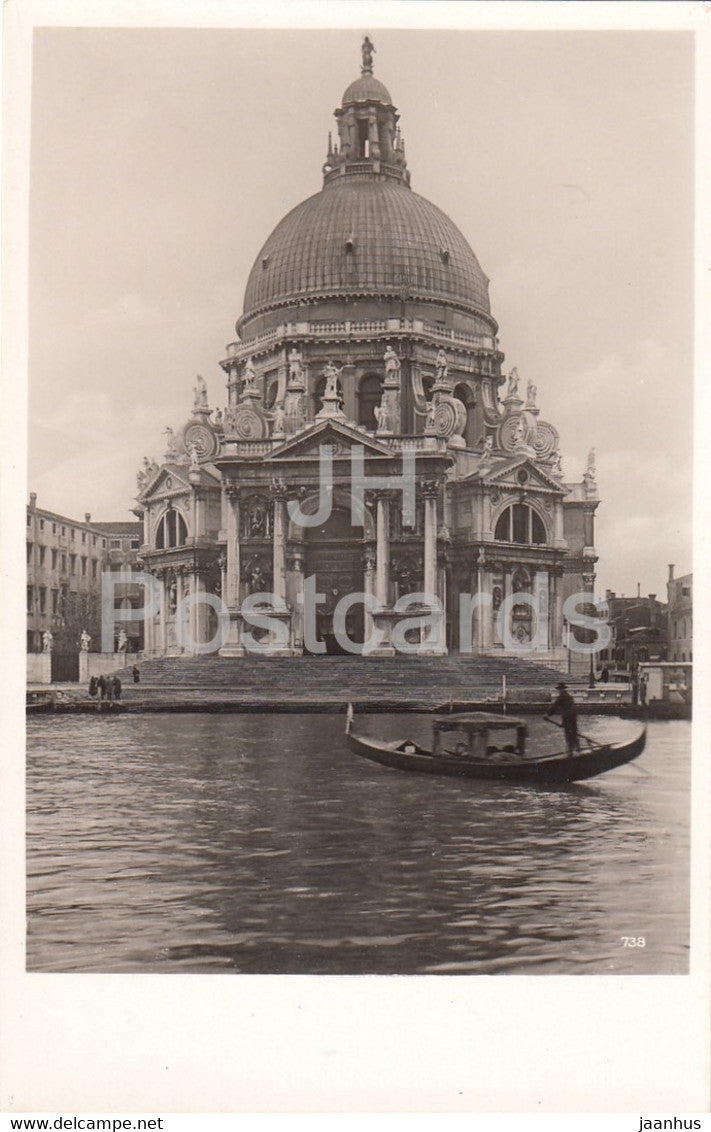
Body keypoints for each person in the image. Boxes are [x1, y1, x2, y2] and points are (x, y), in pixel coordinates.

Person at [544, 681, 580, 754]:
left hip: (568, 717)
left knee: (568, 733)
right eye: (559, 689)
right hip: (573, 716)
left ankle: (570, 750)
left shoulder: (561, 697)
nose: (560, 690)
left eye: (560, 689)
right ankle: (577, 748)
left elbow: (555, 706)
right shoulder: (569, 696)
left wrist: (547, 714)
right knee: (574, 732)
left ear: (562, 689)